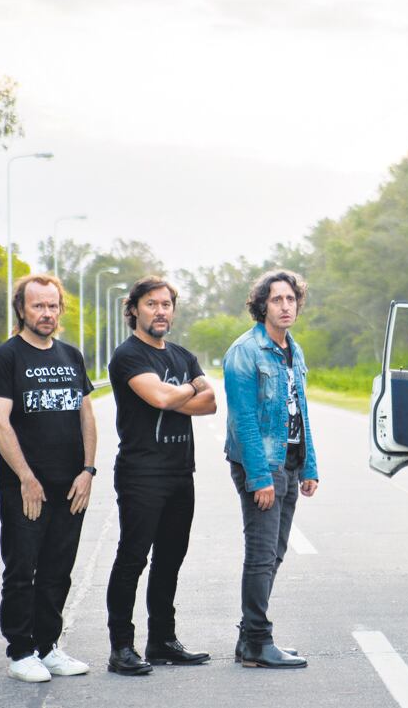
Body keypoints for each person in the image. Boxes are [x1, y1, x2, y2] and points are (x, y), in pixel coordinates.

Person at [0, 274, 96, 682]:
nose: (46, 313)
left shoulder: (71, 355)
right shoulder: (5, 358)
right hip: (25, 488)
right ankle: (20, 652)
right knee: (22, 568)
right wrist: (27, 477)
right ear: (21, 309)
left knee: (57, 570)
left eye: (52, 306)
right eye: (38, 306)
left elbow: (85, 414)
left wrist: (88, 470)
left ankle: (48, 647)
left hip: (71, 486)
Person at [105, 276, 216, 675]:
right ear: (134, 309)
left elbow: (211, 404)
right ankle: (121, 648)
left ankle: (162, 641)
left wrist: (175, 396)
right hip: (141, 473)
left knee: (170, 558)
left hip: (179, 472)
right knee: (133, 558)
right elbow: (162, 397)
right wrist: (186, 390)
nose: (160, 311)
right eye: (151, 304)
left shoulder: (181, 355)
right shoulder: (128, 355)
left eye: (166, 304)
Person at [223, 270, 318, 669]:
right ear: (262, 305)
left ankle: (250, 640)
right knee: (261, 555)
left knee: (275, 552)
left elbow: (300, 412)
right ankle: (259, 641)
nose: (285, 306)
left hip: (290, 464)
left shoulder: (293, 351)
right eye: (277, 299)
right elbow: (244, 419)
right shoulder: (245, 352)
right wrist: (259, 477)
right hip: (261, 465)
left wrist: (309, 464)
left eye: (291, 299)